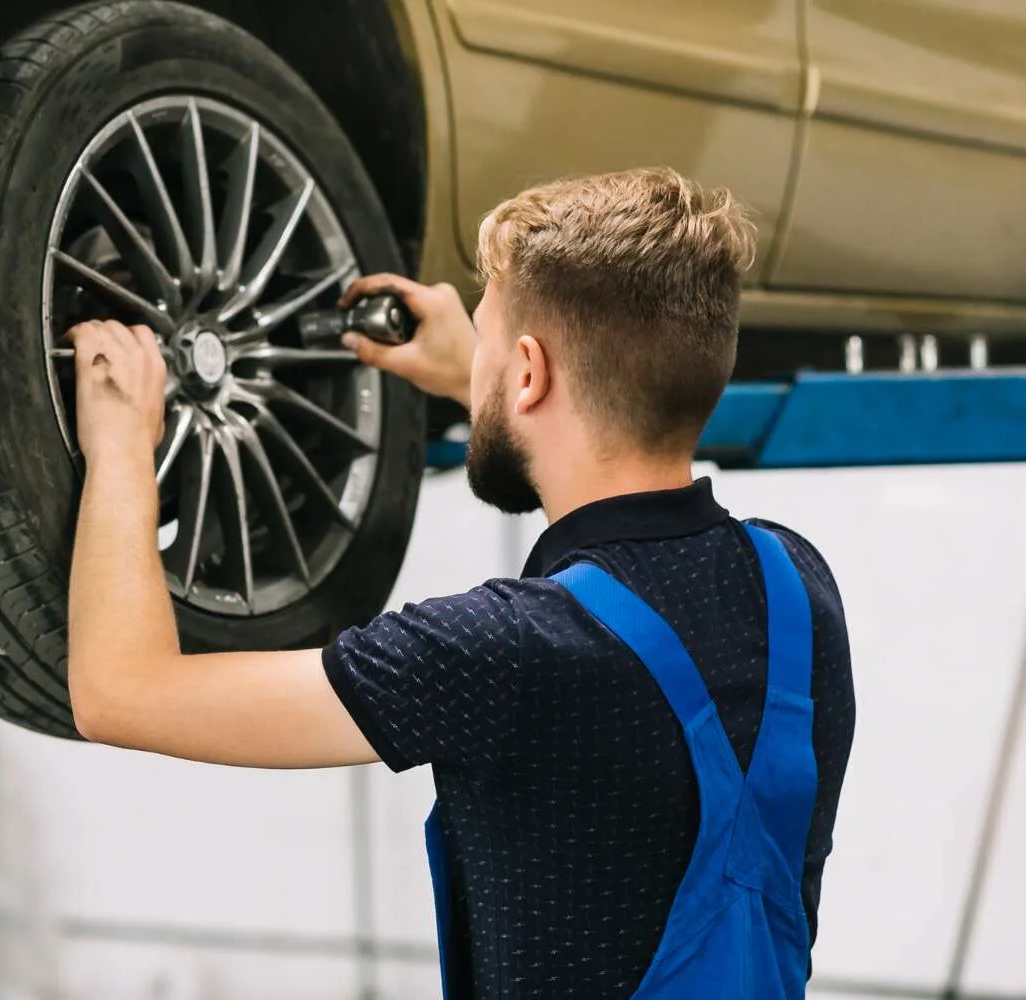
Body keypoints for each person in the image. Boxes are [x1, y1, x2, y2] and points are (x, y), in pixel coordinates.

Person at [63, 167, 855, 999]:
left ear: (526, 376)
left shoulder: (506, 653)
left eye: (486, 341)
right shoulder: (799, 591)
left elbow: (120, 692)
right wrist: (485, 377)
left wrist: (121, 438)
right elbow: (605, 419)